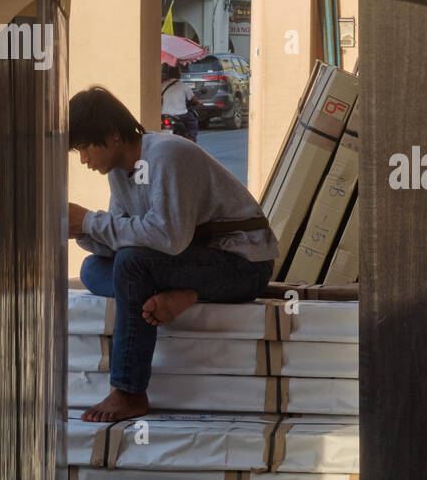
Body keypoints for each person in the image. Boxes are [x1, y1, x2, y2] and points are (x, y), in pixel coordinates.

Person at [67, 86, 278, 422]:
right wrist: (81, 231)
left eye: (83, 147)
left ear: (111, 135)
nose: (83, 159)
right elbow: (127, 236)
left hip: (243, 265)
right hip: (190, 264)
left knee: (131, 265)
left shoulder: (166, 154)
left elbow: (169, 237)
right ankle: (179, 293)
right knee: (93, 267)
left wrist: (92, 221)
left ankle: (129, 390)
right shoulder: (120, 174)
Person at [160, 62, 198, 142]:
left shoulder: (162, 85)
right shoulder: (184, 86)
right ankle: (191, 139)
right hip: (181, 115)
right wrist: (199, 103)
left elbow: (159, 99)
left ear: (169, 75)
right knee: (193, 121)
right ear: (179, 75)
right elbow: (194, 99)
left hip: (165, 114)